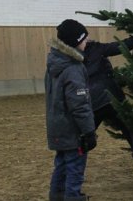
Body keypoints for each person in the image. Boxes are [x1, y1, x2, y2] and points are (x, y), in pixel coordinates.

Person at [83, 35, 133, 192]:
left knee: (82, 141)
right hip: (112, 100)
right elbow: (122, 46)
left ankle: (67, 183)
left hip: (90, 104)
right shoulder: (97, 48)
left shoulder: (70, 57)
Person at [45, 19, 96, 201]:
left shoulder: (54, 63)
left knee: (62, 162)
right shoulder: (73, 68)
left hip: (57, 126)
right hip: (72, 130)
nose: (87, 41)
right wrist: (89, 131)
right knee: (75, 165)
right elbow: (79, 105)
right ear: (75, 42)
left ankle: (57, 194)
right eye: (84, 38)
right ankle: (73, 197)